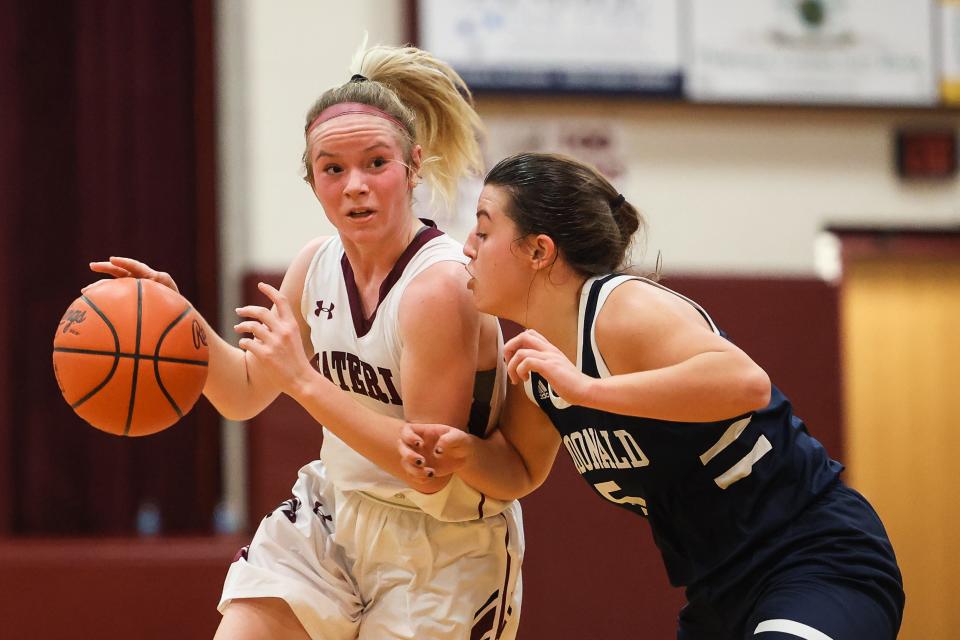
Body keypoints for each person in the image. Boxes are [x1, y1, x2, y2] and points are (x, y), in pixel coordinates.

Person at [89, 45, 523, 640]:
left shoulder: (439, 287)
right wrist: (178, 323)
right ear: (312, 179)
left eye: (376, 163)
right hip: (334, 514)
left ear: (414, 165)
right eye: (333, 169)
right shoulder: (316, 263)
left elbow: (426, 470)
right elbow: (242, 392)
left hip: (441, 547)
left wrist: (304, 381)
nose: (355, 187)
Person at [399, 152, 905, 640]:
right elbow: (521, 470)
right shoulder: (536, 365)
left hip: (815, 558)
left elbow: (747, 384)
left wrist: (587, 388)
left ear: (539, 251)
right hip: (717, 592)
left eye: (484, 231)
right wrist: (464, 453)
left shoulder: (620, 306)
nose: (467, 246)